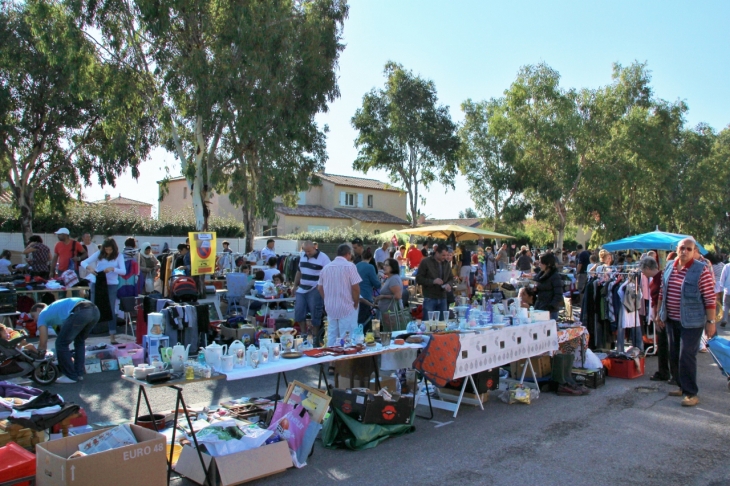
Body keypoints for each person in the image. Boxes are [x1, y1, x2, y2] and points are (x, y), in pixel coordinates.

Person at [656, 238, 716, 407]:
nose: (685, 251)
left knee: (686, 355)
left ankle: (691, 393)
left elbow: (710, 298)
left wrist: (711, 321)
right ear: (677, 249)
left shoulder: (701, 270)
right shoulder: (669, 267)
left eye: (689, 249)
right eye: (682, 248)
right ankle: (681, 386)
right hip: (672, 319)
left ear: (694, 251)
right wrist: (659, 313)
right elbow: (662, 291)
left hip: (692, 322)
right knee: (673, 354)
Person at [31, 299, 100, 384]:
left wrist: (38, 359)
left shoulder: (42, 314)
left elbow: (43, 342)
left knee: (60, 344)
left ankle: (70, 376)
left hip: (81, 311)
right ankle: (78, 374)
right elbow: (63, 332)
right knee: (79, 341)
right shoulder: (55, 310)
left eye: (33, 316)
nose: (34, 321)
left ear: (38, 310)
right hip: (95, 310)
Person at [81, 238, 126, 344]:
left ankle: (112, 336)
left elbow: (123, 271)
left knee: (110, 309)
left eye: (110, 250)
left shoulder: (119, 256)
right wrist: (90, 268)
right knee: (93, 308)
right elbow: (84, 262)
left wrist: (112, 269)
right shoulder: (99, 254)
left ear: (114, 248)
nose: (108, 251)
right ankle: (86, 334)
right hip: (98, 283)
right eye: (106, 249)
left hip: (111, 284)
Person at [318, 244, 361, 346]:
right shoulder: (350, 266)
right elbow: (355, 288)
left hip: (331, 307)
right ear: (348, 254)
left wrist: (327, 299)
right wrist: (355, 302)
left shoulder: (326, 268)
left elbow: (319, 288)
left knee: (332, 336)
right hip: (346, 306)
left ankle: (331, 359)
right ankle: (345, 360)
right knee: (347, 337)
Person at [639, 256, 672, 383]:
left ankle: (664, 372)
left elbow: (660, 300)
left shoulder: (658, 280)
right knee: (662, 345)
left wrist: (658, 317)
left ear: (648, 268)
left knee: (664, 345)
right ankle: (664, 371)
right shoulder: (659, 278)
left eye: (643, 270)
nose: (642, 273)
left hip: (662, 317)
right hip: (660, 316)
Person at [293, 241, 330, 345]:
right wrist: (295, 285)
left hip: (315, 288)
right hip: (302, 288)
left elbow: (328, 273)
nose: (307, 253)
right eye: (305, 251)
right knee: (299, 311)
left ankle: (315, 336)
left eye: (309, 251)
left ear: (314, 247)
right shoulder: (302, 255)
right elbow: (299, 271)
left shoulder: (323, 258)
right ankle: (304, 334)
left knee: (316, 313)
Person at [416, 243, 453, 321]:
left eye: (446, 255)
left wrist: (449, 285)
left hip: (443, 297)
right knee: (427, 323)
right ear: (437, 253)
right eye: (443, 255)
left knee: (442, 325)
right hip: (430, 297)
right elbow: (418, 279)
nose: (445, 257)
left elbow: (451, 278)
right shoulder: (426, 262)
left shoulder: (446, 264)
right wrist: (433, 281)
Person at [355, 247, 381, 329]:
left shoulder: (356, 266)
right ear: (370, 258)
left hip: (356, 296)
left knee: (358, 319)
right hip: (366, 296)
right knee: (365, 321)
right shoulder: (370, 267)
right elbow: (376, 284)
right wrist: (381, 282)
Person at [533, 253, 563, 320]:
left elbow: (558, 294)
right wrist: (536, 290)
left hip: (550, 310)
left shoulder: (555, 276)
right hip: (540, 306)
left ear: (548, 264)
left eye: (541, 263)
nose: (539, 265)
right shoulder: (541, 274)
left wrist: (551, 307)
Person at [375, 258, 404, 327]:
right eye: (384, 265)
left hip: (392, 314)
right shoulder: (390, 278)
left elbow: (398, 296)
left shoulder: (394, 279)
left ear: (393, 267)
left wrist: (383, 296)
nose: (384, 267)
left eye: (387, 265)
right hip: (387, 314)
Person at [720, 260, 730, 328]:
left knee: (726, 305)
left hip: (727, 290)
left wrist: (722, 287)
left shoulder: (727, 266)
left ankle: (725, 319)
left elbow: (722, 278)